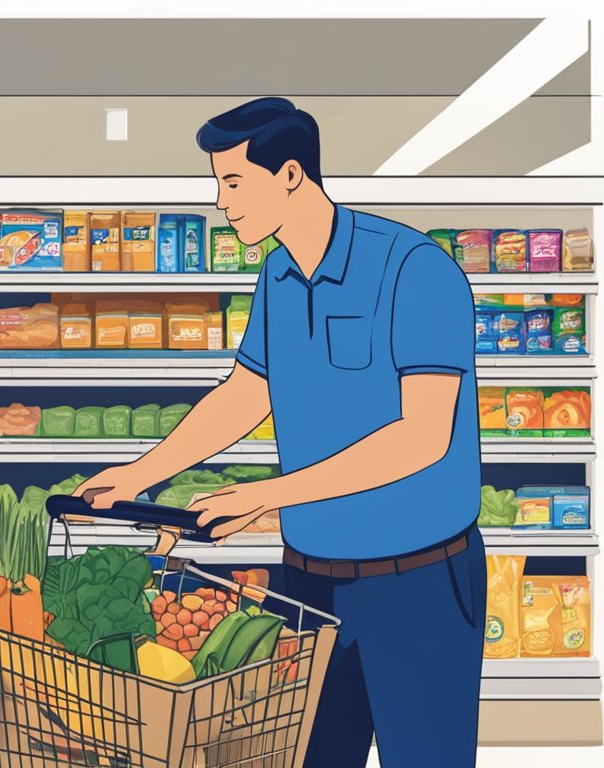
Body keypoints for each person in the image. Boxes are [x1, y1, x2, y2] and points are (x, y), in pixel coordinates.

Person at [75, 98, 484, 768]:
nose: (221, 201)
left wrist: (269, 495)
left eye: (233, 182)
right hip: (309, 588)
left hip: (419, 585)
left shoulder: (415, 270)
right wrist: (144, 473)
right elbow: (244, 395)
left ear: (290, 174)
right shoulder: (278, 275)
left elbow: (423, 435)